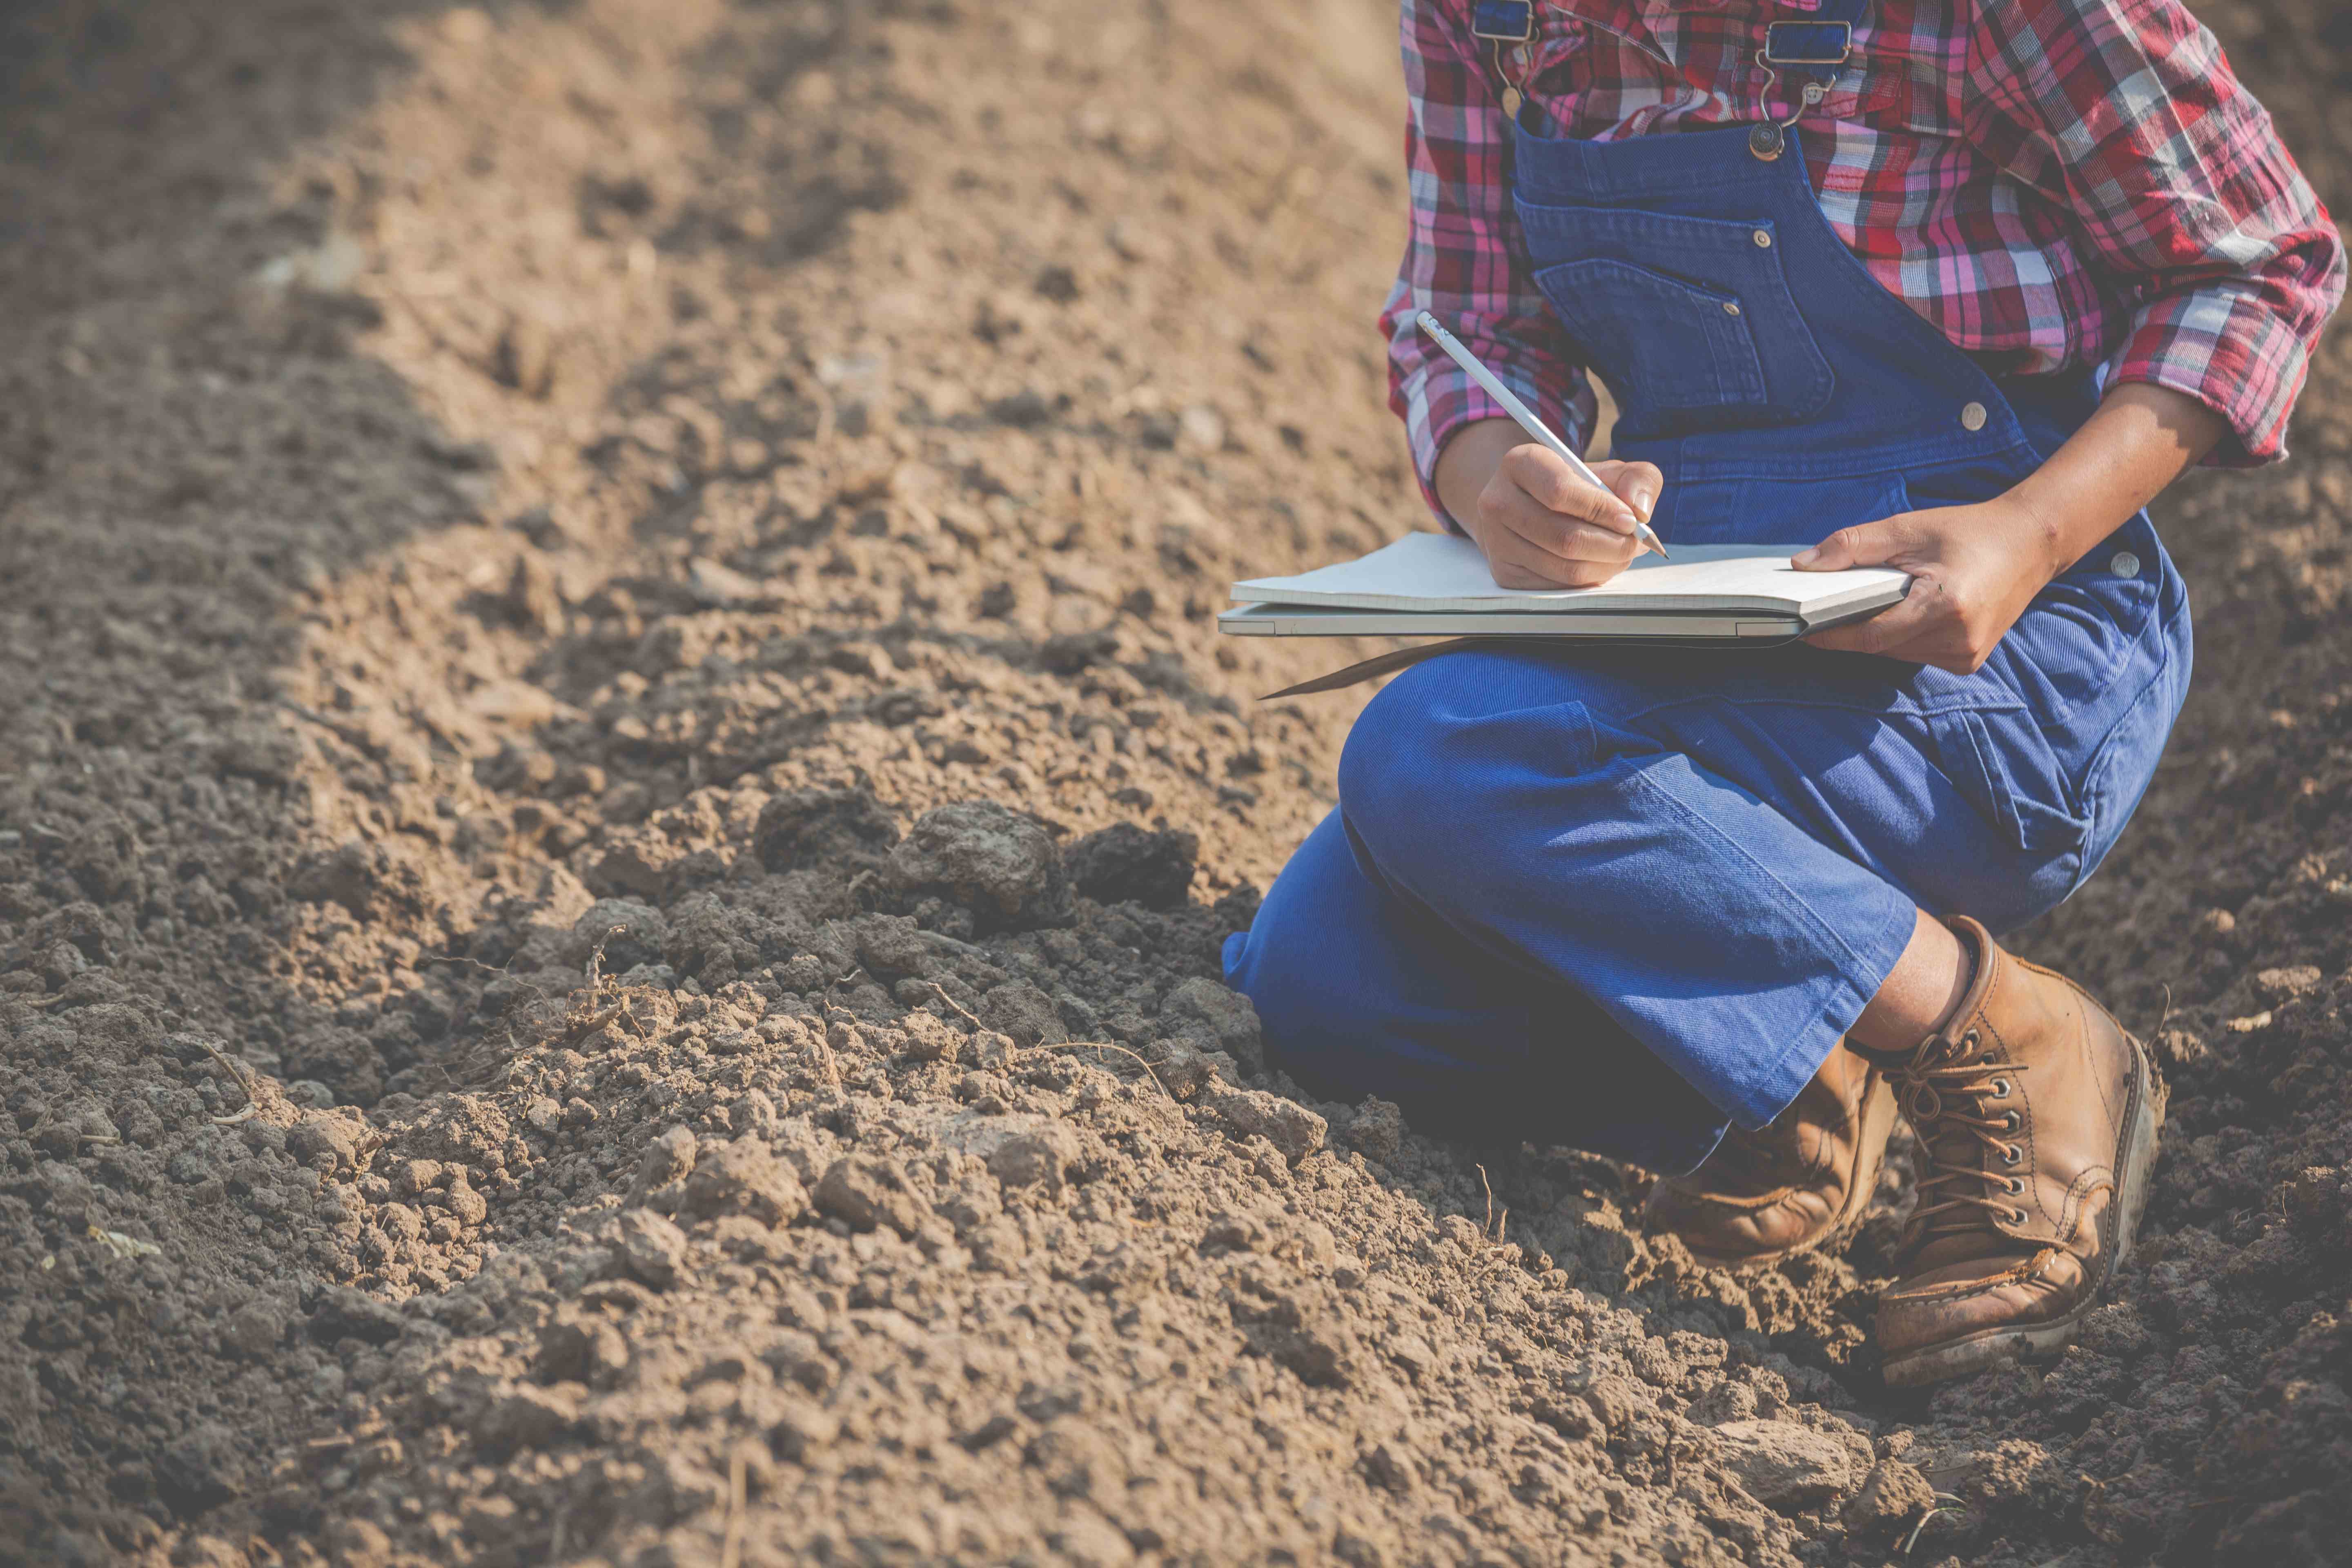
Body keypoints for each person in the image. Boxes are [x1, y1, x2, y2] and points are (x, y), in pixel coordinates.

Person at [1224, 0, 2343, 1385]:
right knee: (1326, 980)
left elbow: (2261, 262)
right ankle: (1804, 1050)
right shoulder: (1488, 15)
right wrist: (1497, 478)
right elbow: (1464, 319)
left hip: (1996, 643)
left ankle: (2009, 1036)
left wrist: (2029, 533)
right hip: (1701, 595)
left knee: (1439, 750)